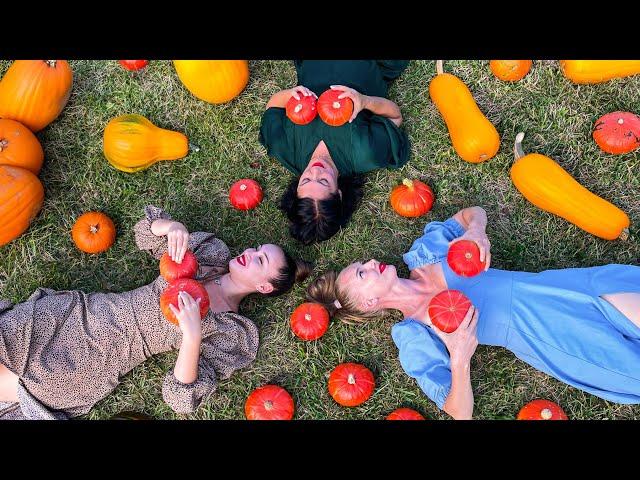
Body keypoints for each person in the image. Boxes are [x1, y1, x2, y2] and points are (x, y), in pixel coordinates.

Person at [306, 206, 640, 419]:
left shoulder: (424, 256)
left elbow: (471, 213)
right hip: (547, 335)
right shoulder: (413, 335)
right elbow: (459, 411)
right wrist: (459, 358)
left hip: (554, 288)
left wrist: (475, 232)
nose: (369, 264)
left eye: (361, 263)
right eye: (362, 274)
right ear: (368, 304)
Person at [0, 205, 311, 419]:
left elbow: (180, 399)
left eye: (260, 261)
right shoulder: (207, 254)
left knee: (35, 383)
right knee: (14, 331)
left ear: (265, 287)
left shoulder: (234, 333)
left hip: (102, 358)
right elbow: (143, 234)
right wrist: (171, 227)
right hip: (86, 313)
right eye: (256, 249)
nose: (249, 253)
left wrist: (192, 337)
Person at [259, 60, 411, 244]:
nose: (315, 170)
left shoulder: (283, 147)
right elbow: (395, 116)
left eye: (306, 180)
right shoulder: (365, 153)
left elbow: (273, 106)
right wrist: (364, 101)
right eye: (323, 181)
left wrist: (291, 95)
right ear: (338, 193)